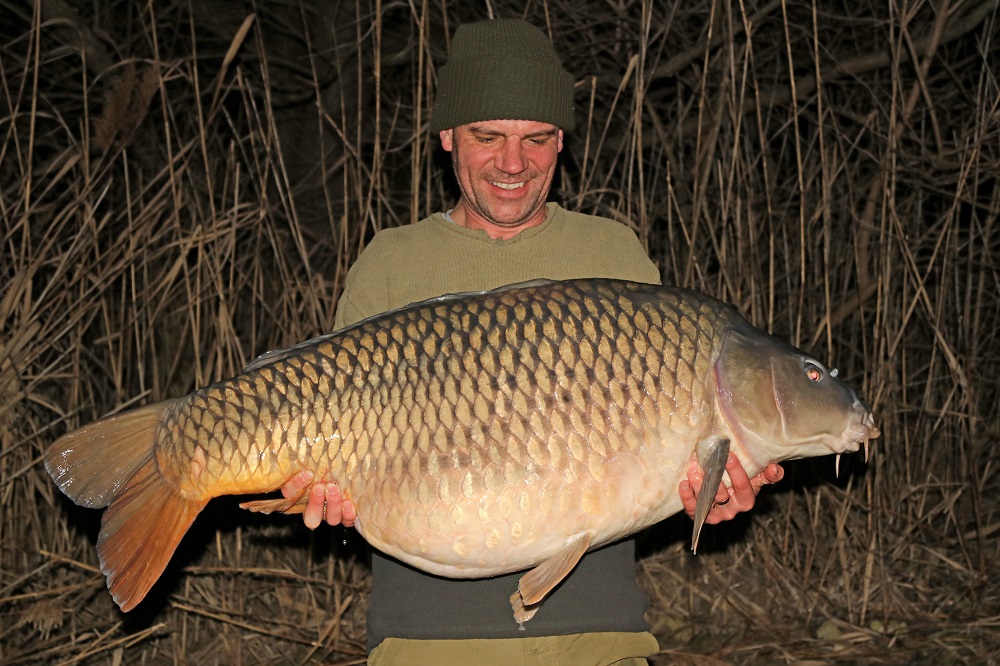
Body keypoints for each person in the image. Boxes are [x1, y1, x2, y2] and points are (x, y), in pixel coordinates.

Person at [281, 18, 784, 665]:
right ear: (446, 136)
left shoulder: (612, 253)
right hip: (425, 639)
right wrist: (324, 496)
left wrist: (713, 493)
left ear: (562, 142)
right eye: (487, 137)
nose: (513, 164)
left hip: (598, 634)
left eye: (537, 139)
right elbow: (340, 451)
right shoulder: (391, 263)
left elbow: (673, 461)